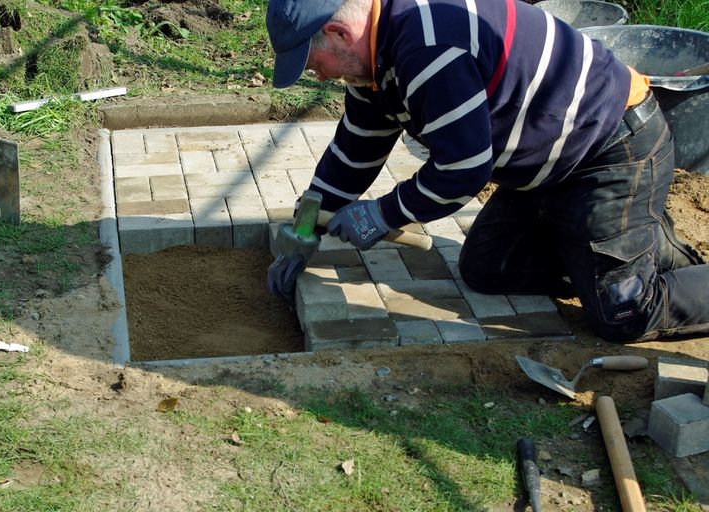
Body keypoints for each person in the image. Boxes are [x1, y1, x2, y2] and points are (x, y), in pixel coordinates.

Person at [265, 0, 708, 343]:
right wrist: (307, 227)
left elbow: (462, 170)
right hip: (546, 165)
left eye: (314, 64)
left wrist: (382, 214)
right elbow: (356, 147)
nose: (319, 77)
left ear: (339, 33)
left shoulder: (429, 48)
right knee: (488, 269)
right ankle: (617, 244)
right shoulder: (374, 64)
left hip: (609, 147)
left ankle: (630, 248)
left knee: (623, 310)